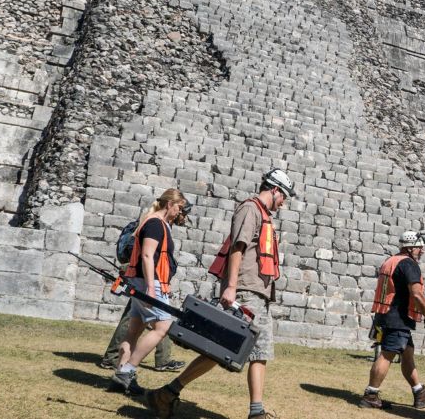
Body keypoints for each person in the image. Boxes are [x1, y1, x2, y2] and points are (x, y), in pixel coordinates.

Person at [144, 168, 295, 419]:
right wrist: (231, 287)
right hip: (245, 291)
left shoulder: (262, 213)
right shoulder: (250, 209)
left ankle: (256, 411)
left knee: (260, 352)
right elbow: (238, 247)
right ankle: (167, 393)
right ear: (275, 189)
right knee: (220, 351)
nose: (283, 203)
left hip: (258, 293)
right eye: (284, 197)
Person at [100, 201, 194, 373]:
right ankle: (125, 368)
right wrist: (151, 287)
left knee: (136, 327)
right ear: (171, 205)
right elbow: (147, 256)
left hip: (146, 279)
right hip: (146, 279)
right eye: (181, 210)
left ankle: (121, 368)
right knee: (160, 326)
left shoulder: (158, 224)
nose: (183, 216)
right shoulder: (155, 224)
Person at [359, 231, 425, 410]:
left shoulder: (391, 260)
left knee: (407, 352)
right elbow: (417, 294)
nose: (422, 251)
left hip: (385, 313)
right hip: (397, 317)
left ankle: (419, 393)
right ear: (411, 248)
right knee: (387, 354)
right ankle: (370, 395)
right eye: (419, 248)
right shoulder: (409, 264)